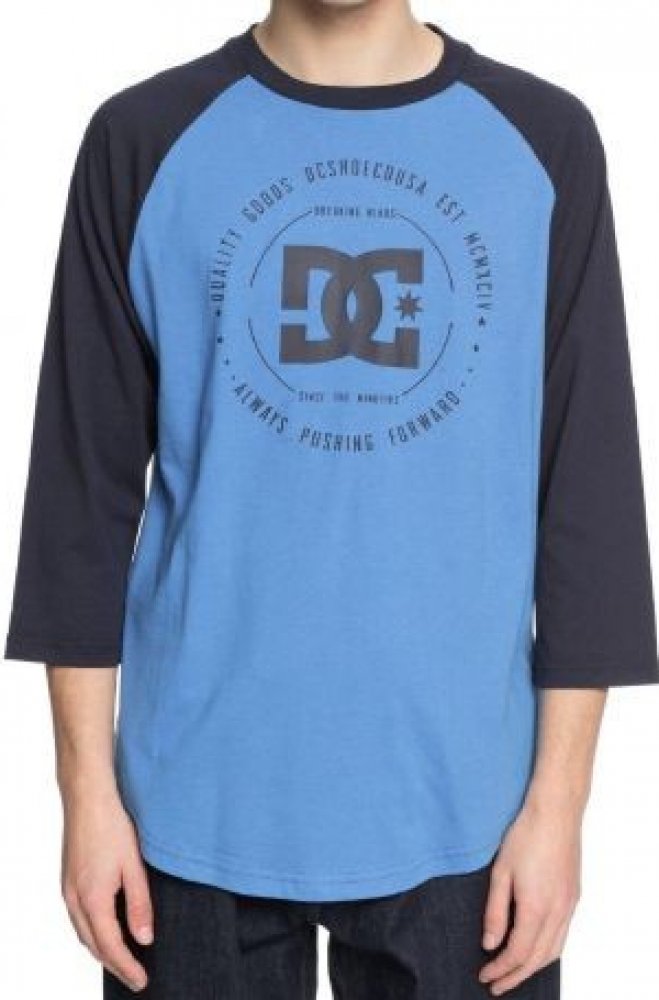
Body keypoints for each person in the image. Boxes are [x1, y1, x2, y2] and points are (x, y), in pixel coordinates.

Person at [5, 0, 658, 996]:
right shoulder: (142, 137)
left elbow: (586, 488)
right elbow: (79, 493)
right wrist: (85, 796)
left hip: (469, 812)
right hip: (187, 805)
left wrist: (558, 808)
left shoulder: (542, 140)